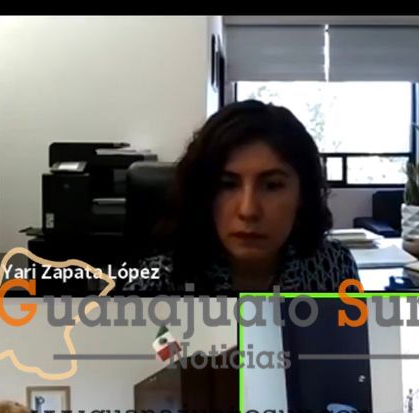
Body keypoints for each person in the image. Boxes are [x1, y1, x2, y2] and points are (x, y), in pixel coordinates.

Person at [123, 100, 359, 294]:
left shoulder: (333, 267)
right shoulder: (157, 282)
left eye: (272, 186)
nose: (248, 210)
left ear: (302, 194)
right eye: (227, 185)